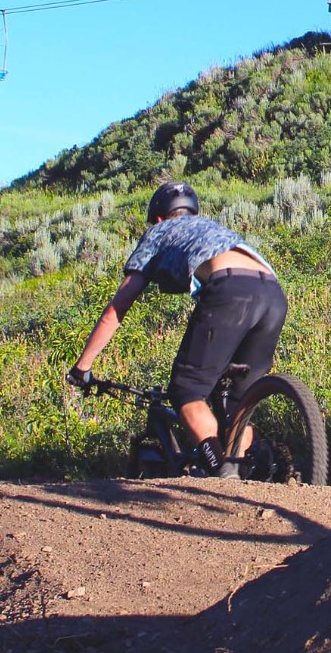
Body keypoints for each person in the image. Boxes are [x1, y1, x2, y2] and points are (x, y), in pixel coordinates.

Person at [66, 182, 288, 476]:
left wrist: (83, 367)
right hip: (273, 293)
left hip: (230, 289)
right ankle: (248, 475)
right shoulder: (210, 227)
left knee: (187, 390)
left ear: (158, 217)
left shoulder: (157, 232)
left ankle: (221, 474)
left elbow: (116, 309)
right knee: (238, 406)